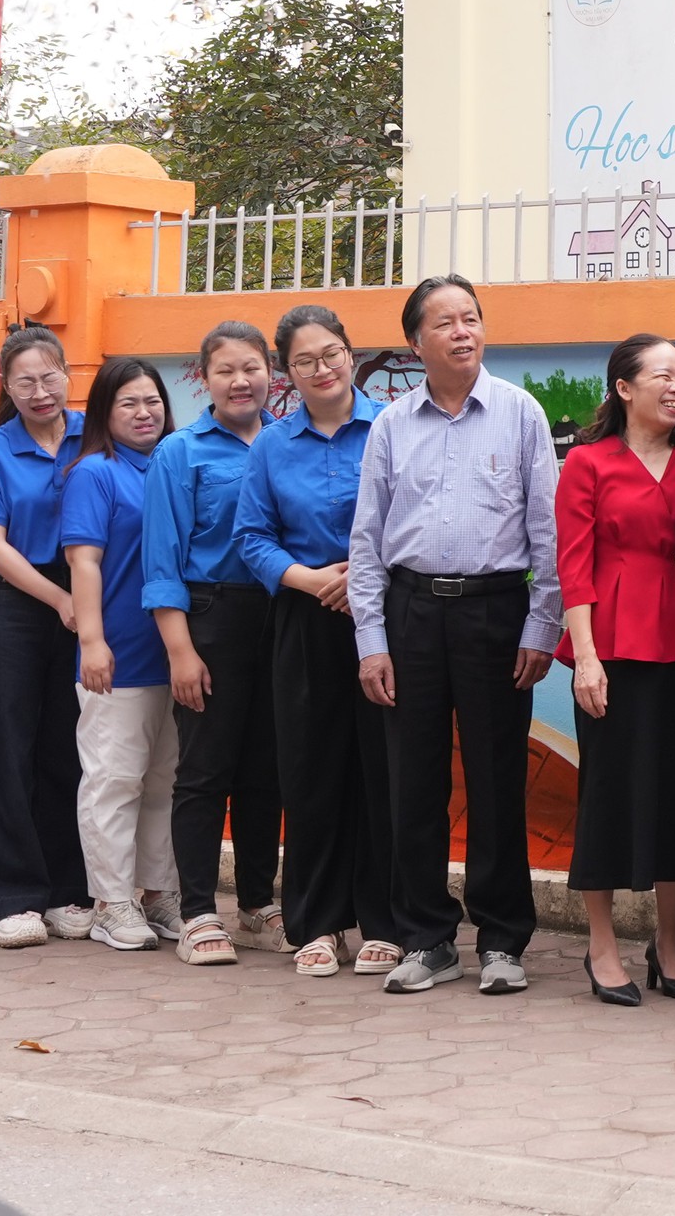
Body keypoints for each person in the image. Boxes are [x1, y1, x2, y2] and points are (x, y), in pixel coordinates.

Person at [348, 276, 561, 997]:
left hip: (495, 611)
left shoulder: (520, 412)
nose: (463, 332)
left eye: (471, 318)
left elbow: (546, 529)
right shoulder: (391, 424)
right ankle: (426, 937)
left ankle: (502, 938)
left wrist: (542, 622)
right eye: (445, 323)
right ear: (416, 342)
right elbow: (367, 539)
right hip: (409, 612)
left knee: (498, 780)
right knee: (413, 781)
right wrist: (371, 640)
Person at [234, 305, 400, 977]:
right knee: (309, 772)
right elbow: (251, 536)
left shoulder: (394, 425)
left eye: (331, 353)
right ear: (287, 373)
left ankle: (387, 921)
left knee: (383, 769)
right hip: (305, 618)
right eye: (305, 361)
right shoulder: (272, 445)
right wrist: (309, 579)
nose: (322, 368)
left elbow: (416, 511)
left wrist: (363, 572)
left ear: (349, 353)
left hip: (384, 617)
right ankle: (319, 922)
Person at [561, 334, 675, 1007]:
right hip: (612, 643)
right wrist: (585, 657)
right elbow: (572, 563)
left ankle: (669, 943)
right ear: (624, 387)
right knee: (607, 792)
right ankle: (601, 947)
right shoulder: (587, 462)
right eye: (663, 375)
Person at [142, 322, 283, 967]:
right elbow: (162, 560)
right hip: (210, 617)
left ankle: (257, 905)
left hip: (279, 618)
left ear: (271, 372)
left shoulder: (287, 441)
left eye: (251, 367)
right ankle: (198, 911)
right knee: (204, 771)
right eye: (225, 370)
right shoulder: (180, 452)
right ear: (205, 379)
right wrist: (180, 649)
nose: (240, 381)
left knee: (265, 771)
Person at [0, 326, 92, 948]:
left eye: (49, 377)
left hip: (89, 592)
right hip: (19, 602)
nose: (40, 392)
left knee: (70, 746)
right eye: (25, 382)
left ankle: (69, 890)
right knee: (8, 749)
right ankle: (11, 899)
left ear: (67, 373)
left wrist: (82, 600)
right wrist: (61, 599)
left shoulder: (94, 432)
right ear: (6, 388)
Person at [61, 357, 178, 953]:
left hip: (176, 656)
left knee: (163, 783)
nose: (143, 412)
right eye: (128, 402)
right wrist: (92, 641)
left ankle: (158, 895)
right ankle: (111, 902)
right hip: (120, 656)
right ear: (104, 412)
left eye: (152, 400)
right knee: (114, 780)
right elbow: (84, 562)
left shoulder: (173, 461)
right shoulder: (95, 473)